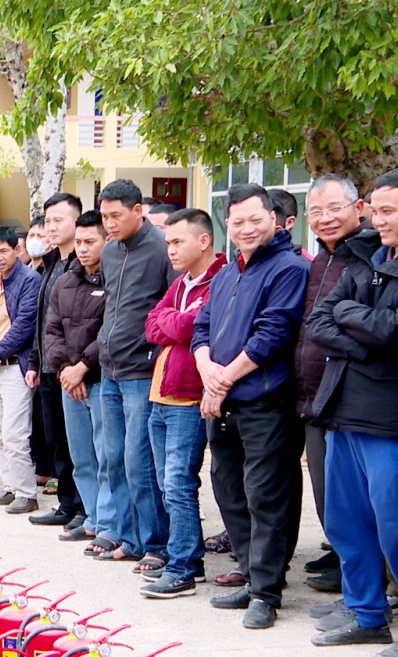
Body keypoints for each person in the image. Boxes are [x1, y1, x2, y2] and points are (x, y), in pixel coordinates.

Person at [305, 166, 398, 657]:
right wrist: (363, 338)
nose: (377, 220)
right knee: (346, 524)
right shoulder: (370, 256)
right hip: (340, 408)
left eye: (389, 211)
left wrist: (359, 329)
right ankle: (365, 614)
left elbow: (395, 332)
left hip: (388, 418)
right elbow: (320, 320)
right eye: (374, 210)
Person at [192, 183, 310, 629]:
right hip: (222, 401)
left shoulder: (288, 269)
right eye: (236, 221)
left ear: (275, 220)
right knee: (229, 490)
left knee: (266, 495)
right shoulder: (227, 272)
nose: (245, 228)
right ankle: (248, 571)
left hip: (264, 401)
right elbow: (201, 328)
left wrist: (222, 379)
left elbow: (273, 334)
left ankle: (267, 591)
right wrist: (209, 374)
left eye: (255, 219)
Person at [139, 208, 227, 597]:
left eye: (177, 242)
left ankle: (184, 566)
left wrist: (172, 321)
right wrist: (172, 320)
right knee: (164, 481)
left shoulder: (220, 280)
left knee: (178, 484)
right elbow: (153, 323)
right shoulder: (182, 283)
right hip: (161, 393)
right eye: (168, 242)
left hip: (189, 398)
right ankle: (181, 557)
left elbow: (188, 327)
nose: (170, 250)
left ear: (204, 241)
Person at [292, 175, 374, 590]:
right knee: (327, 493)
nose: (325, 219)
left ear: (359, 207)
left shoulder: (370, 254)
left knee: (353, 498)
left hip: (348, 395)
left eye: (335, 208)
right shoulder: (319, 260)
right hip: (310, 395)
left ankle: (363, 580)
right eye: (317, 212)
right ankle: (344, 561)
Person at [95, 179, 174, 568]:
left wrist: (154, 355)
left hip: (142, 371)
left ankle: (157, 543)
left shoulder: (162, 249)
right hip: (109, 369)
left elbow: (173, 307)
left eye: (116, 216)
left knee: (139, 461)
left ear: (138, 210)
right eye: (105, 216)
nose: (109, 224)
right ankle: (128, 537)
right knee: (112, 458)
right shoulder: (110, 252)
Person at [47, 213, 113, 550]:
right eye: (80, 243)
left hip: (99, 378)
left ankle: (108, 522)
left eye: (91, 242)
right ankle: (92, 516)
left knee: (106, 456)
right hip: (69, 381)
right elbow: (52, 329)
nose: (83, 249)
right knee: (82, 457)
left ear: (106, 241)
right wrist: (65, 369)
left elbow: (110, 329)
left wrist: (83, 367)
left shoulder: (115, 278)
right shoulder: (64, 281)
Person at [27, 192, 86, 529]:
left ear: (76, 222)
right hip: (48, 367)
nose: (50, 227)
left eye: (58, 220)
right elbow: (43, 321)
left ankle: (83, 508)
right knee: (56, 441)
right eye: (47, 221)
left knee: (78, 445)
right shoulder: (50, 265)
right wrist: (36, 362)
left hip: (73, 369)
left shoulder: (85, 264)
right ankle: (66, 503)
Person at [0, 225, 43, 514]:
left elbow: (26, 324)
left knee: (15, 433)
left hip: (16, 365)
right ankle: (9, 486)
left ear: (17, 250)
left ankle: (27, 493)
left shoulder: (30, 280)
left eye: (4, 250)